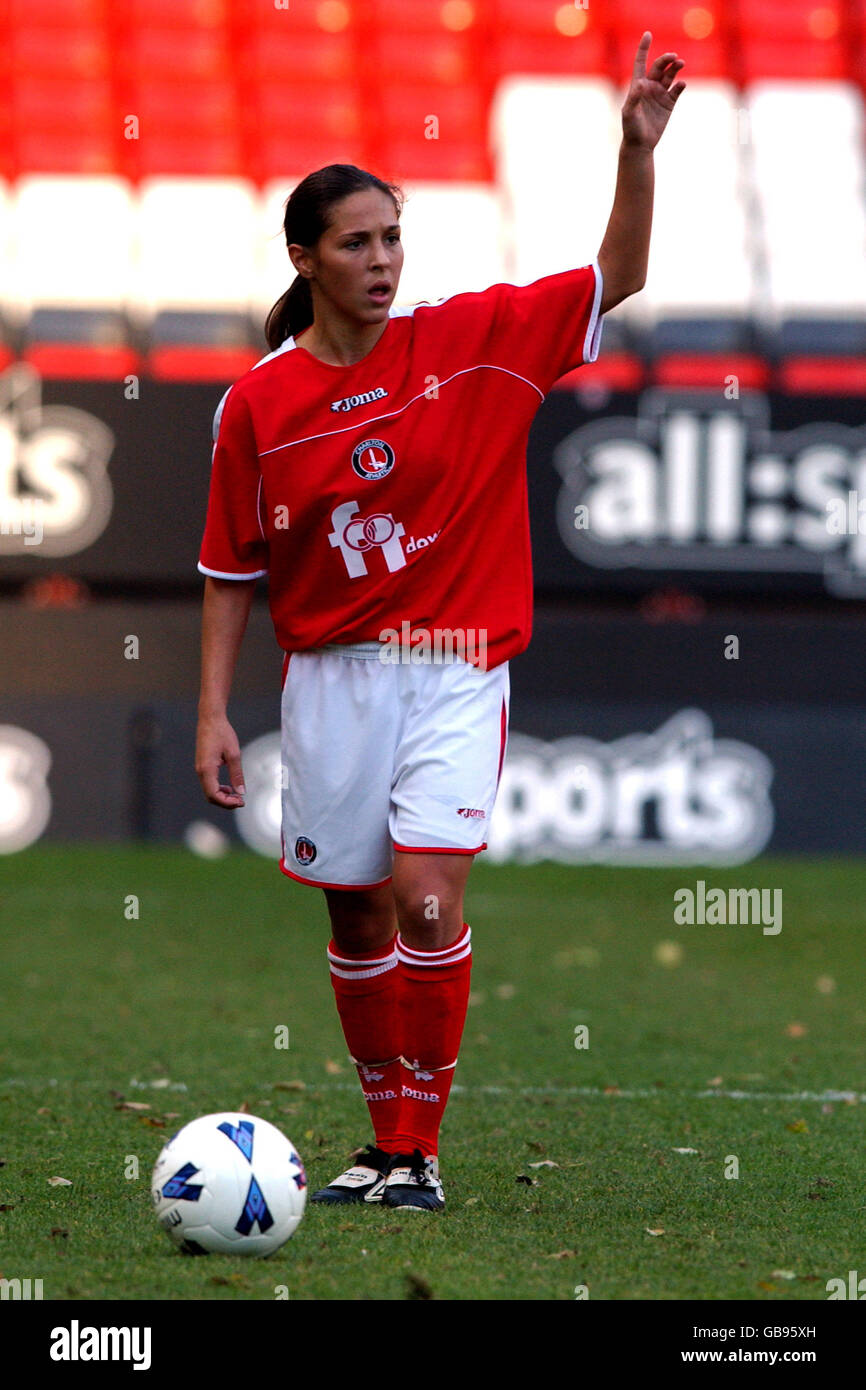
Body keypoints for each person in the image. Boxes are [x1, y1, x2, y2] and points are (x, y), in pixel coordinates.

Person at [195, 32, 685, 1212]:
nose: (380, 260)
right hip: (328, 682)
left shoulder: (473, 343)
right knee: (358, 908)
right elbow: (228, 566)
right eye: (355, 242)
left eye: (391, 237)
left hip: (456, 668)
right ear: (304, 258)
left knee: (426, 898)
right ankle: (381, 1138)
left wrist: (634, 150)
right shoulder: (257, 403)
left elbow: (612, 276)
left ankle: (413, 1153)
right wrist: (212, 706)